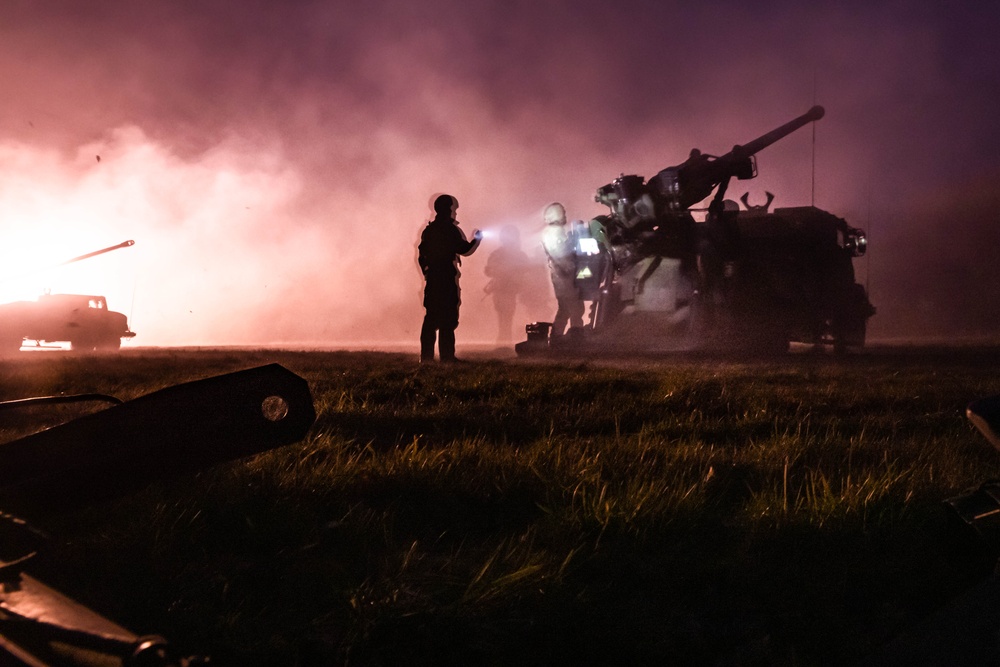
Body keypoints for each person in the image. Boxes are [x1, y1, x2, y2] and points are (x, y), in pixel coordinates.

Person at [417, 194, 482, 362]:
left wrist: (426, 272)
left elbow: (421, 255)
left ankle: (426, 358)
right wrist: (476, 239)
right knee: (448, 318)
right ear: (449, 209)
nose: (455, 212)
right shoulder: (450, 230)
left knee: (431, 318)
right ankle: (447, 357)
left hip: (433, 279)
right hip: (446, 279)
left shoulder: (429, 230)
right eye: (453, 209)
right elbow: (464, 249)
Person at [541, 202, 584, 338]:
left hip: (561, 276)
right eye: (563, 212)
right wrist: (573, 240)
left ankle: (556, 337)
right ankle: (576, 337)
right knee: (576, 308)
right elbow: (561, 253)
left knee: (564, 309)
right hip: (564, 276)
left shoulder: (551, 231)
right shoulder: (554, 232)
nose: (565, 215)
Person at [483, 224, 530, 346]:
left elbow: (526, 270)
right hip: (502, 290)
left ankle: (504, 342)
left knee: (506, 318)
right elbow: (488, 271)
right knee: (505, 318)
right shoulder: (502, 254)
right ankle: (504, 342)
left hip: (508, 290)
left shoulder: (510, 254)